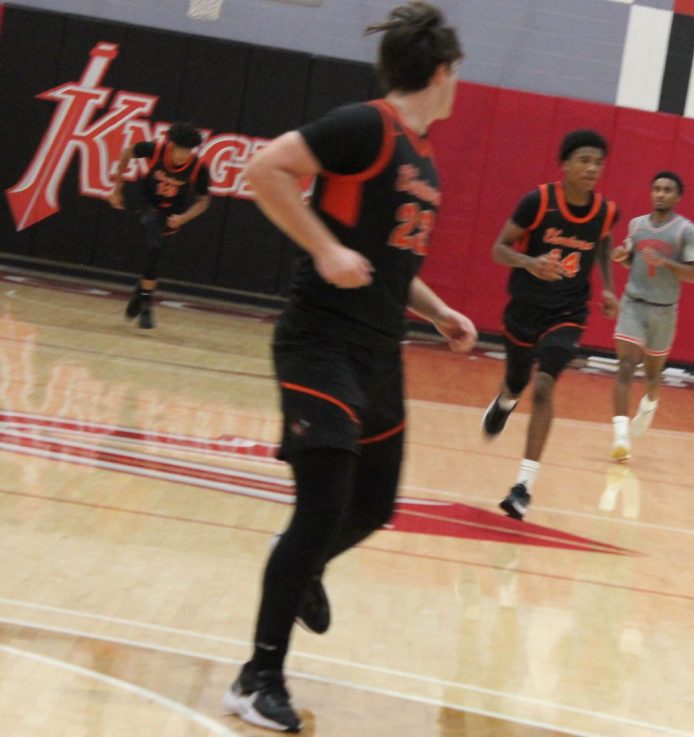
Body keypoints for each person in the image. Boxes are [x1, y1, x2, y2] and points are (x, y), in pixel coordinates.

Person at [223, 3, 475, 732]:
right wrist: (324, 250)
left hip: (379, 351)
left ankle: (304, 562)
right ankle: (257, 675)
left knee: (373, 506)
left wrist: (437, 310)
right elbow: (265, 169)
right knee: (324, 500)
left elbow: (392, 265)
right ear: (441, 70)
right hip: (321, 341)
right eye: (457, 72)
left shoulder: (423, 158)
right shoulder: (367, 126)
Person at [482, 129, 619, 521]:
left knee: (544, 386)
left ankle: (523, 485)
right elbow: (499, 249)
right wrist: (530, 263)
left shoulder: (606, 212)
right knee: (517, 382)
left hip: (569, 313)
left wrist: (609, 288)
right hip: (526, 307)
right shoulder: (538, 202)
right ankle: (505, 402)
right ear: (565, 164)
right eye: (584, 160)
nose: (592, 168)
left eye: (598, 162)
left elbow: (604, 243)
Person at [609, 171, 694, 461]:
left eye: (667, 190)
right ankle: (621, 437)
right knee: (625, 365)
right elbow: (631, 260)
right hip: (634, 303)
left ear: (678, 197)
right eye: (656, 189)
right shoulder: (637, 225)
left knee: (653, 375)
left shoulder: (687, 231)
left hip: (664, 310)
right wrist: (621, 256)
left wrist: (664, 262)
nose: (660, 194)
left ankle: (650, 404)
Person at [106, 121, 210, 329]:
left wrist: (183, 218)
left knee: (156, 253)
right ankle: (146, 306)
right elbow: (128, 152)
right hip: (148, 203)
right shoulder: (155, 150)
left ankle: (140, 293)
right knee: (154, 247)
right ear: (172, 145)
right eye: (180, 150)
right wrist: (117, 188)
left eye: (188, 151)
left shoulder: (198, 167)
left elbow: (203, 201)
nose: (183, 155)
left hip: (173, 211)